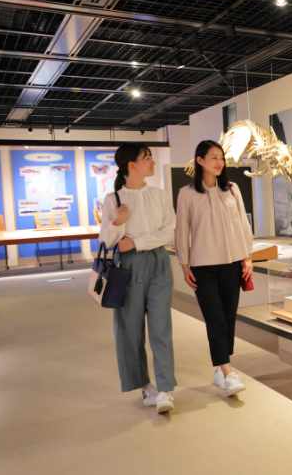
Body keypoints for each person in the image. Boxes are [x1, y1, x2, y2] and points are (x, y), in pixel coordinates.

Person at [98, 143, 177, 414]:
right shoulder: (114, 199)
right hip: (127, 269)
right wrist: (118, 222)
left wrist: (137, 241)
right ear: (131, 165)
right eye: (147, 158)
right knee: (129, 330)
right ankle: (145, 386)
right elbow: (107, 240)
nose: (152, 162)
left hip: (158, 262)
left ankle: (166, 389)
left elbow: (170, 232)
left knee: (161, 327)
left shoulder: (159, 194)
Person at [175, 140, 253, 397]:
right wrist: (184, 263)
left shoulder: (232, 189)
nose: (219, 162)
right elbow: (182, 230)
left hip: (232, 264)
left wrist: (247, 257)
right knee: (215, 318)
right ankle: (228, 371)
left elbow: (243, 224)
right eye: (213, 157)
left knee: (229, 317)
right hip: (202, 266)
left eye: (221, 157)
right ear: (200, 161)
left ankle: (221, 368)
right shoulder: (187, 193)